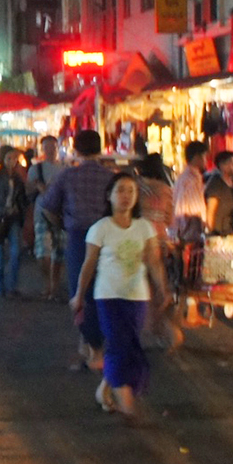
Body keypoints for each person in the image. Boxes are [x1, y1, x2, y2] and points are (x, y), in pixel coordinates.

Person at [70, 173, 167, 421]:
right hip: (108, 296)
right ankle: (126, 401)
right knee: (116, 344)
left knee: (131, 344)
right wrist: (79, 295)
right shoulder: (100, 228)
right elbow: (88, 265)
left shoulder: (144, 227)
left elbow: (153, 262)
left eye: (131, 192)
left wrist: (162, 289)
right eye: (121, 191)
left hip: (137, 296)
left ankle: (105, 389)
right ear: (109, 196)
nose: (126, 197)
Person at [41, 130, 116, 371]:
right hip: (107, 238)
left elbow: (48, 206)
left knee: (81, 293)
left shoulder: (67, 176)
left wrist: (62, 223)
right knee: (103, 290)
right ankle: (95, 345)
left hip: (79, 237)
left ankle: (94, 350)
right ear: (100, 149)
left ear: (76, 149)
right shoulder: (110, 177)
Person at [0, 148, 29, 298]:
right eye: (9, 158)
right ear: (2, 159)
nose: (12, 161)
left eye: (15, 158)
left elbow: (22, 199)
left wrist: (20, 207)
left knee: (16, 252)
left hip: (13, 218)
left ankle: (12, 286)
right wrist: (1, 209)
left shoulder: (17, 179)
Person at [26, 135, 65, 300]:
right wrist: (36, 186)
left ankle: (54, 286)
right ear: (42, 149)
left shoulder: (65, 169)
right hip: (41, 214)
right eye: (47, 147)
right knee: (42, 252)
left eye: (53, 147)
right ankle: (47, 283)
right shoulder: (36, 169)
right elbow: (27, 191)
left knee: (58, 252)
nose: (51, 150)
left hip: (60, 215)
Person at [204, 150, 233, 235]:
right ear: (222, 166)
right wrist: (210, 233)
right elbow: (211, 211)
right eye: (231, 163)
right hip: (220, 233)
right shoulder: (216, 184)